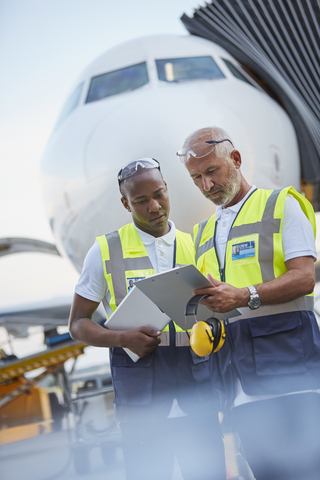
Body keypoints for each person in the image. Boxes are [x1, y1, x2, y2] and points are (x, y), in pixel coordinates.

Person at [69, 157, 226, 480]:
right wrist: (120, 339)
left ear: (168, 189)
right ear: (126, 204)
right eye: (141, 201)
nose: (154, 206)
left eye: (159, 194)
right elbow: (77, 325)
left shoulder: (194, 244)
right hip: (142, 400)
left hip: (197, 392)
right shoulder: (104, 251)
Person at [177, 126, 320, 480]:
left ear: (236, 160)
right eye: (196, 178)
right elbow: (218, 303)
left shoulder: (281, 204)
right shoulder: (201, 233)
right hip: (238, 384)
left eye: (212, 171)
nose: (206, 186)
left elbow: (305, 276)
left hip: (292, 377)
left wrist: (244, 296)